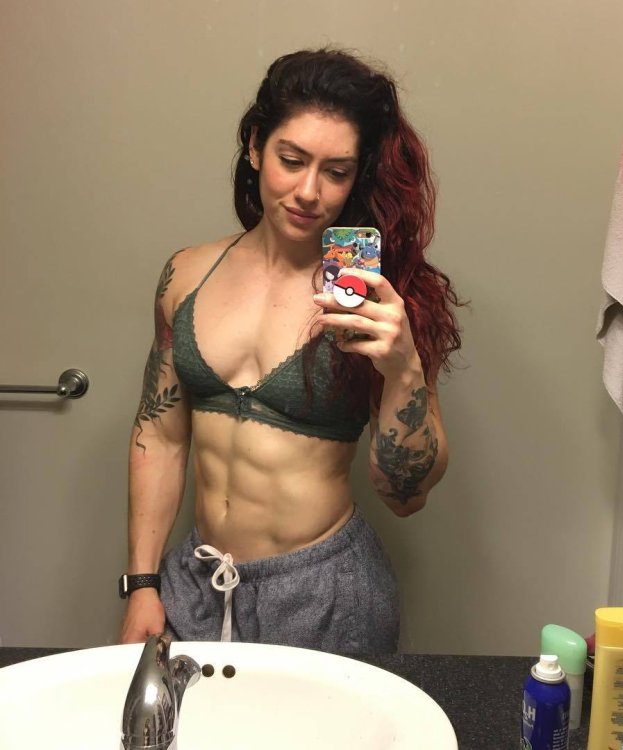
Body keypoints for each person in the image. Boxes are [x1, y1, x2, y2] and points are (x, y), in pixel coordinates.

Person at [118, 48, 462, 654]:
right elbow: (161, 435)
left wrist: (404, 369)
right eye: (292, 160)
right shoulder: (186, 275)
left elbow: (405, 496)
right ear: (256, 147)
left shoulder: (381, 295)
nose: (309, 191)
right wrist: (142, 583)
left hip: (326, 595)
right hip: (196, 585)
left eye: (336, 171)